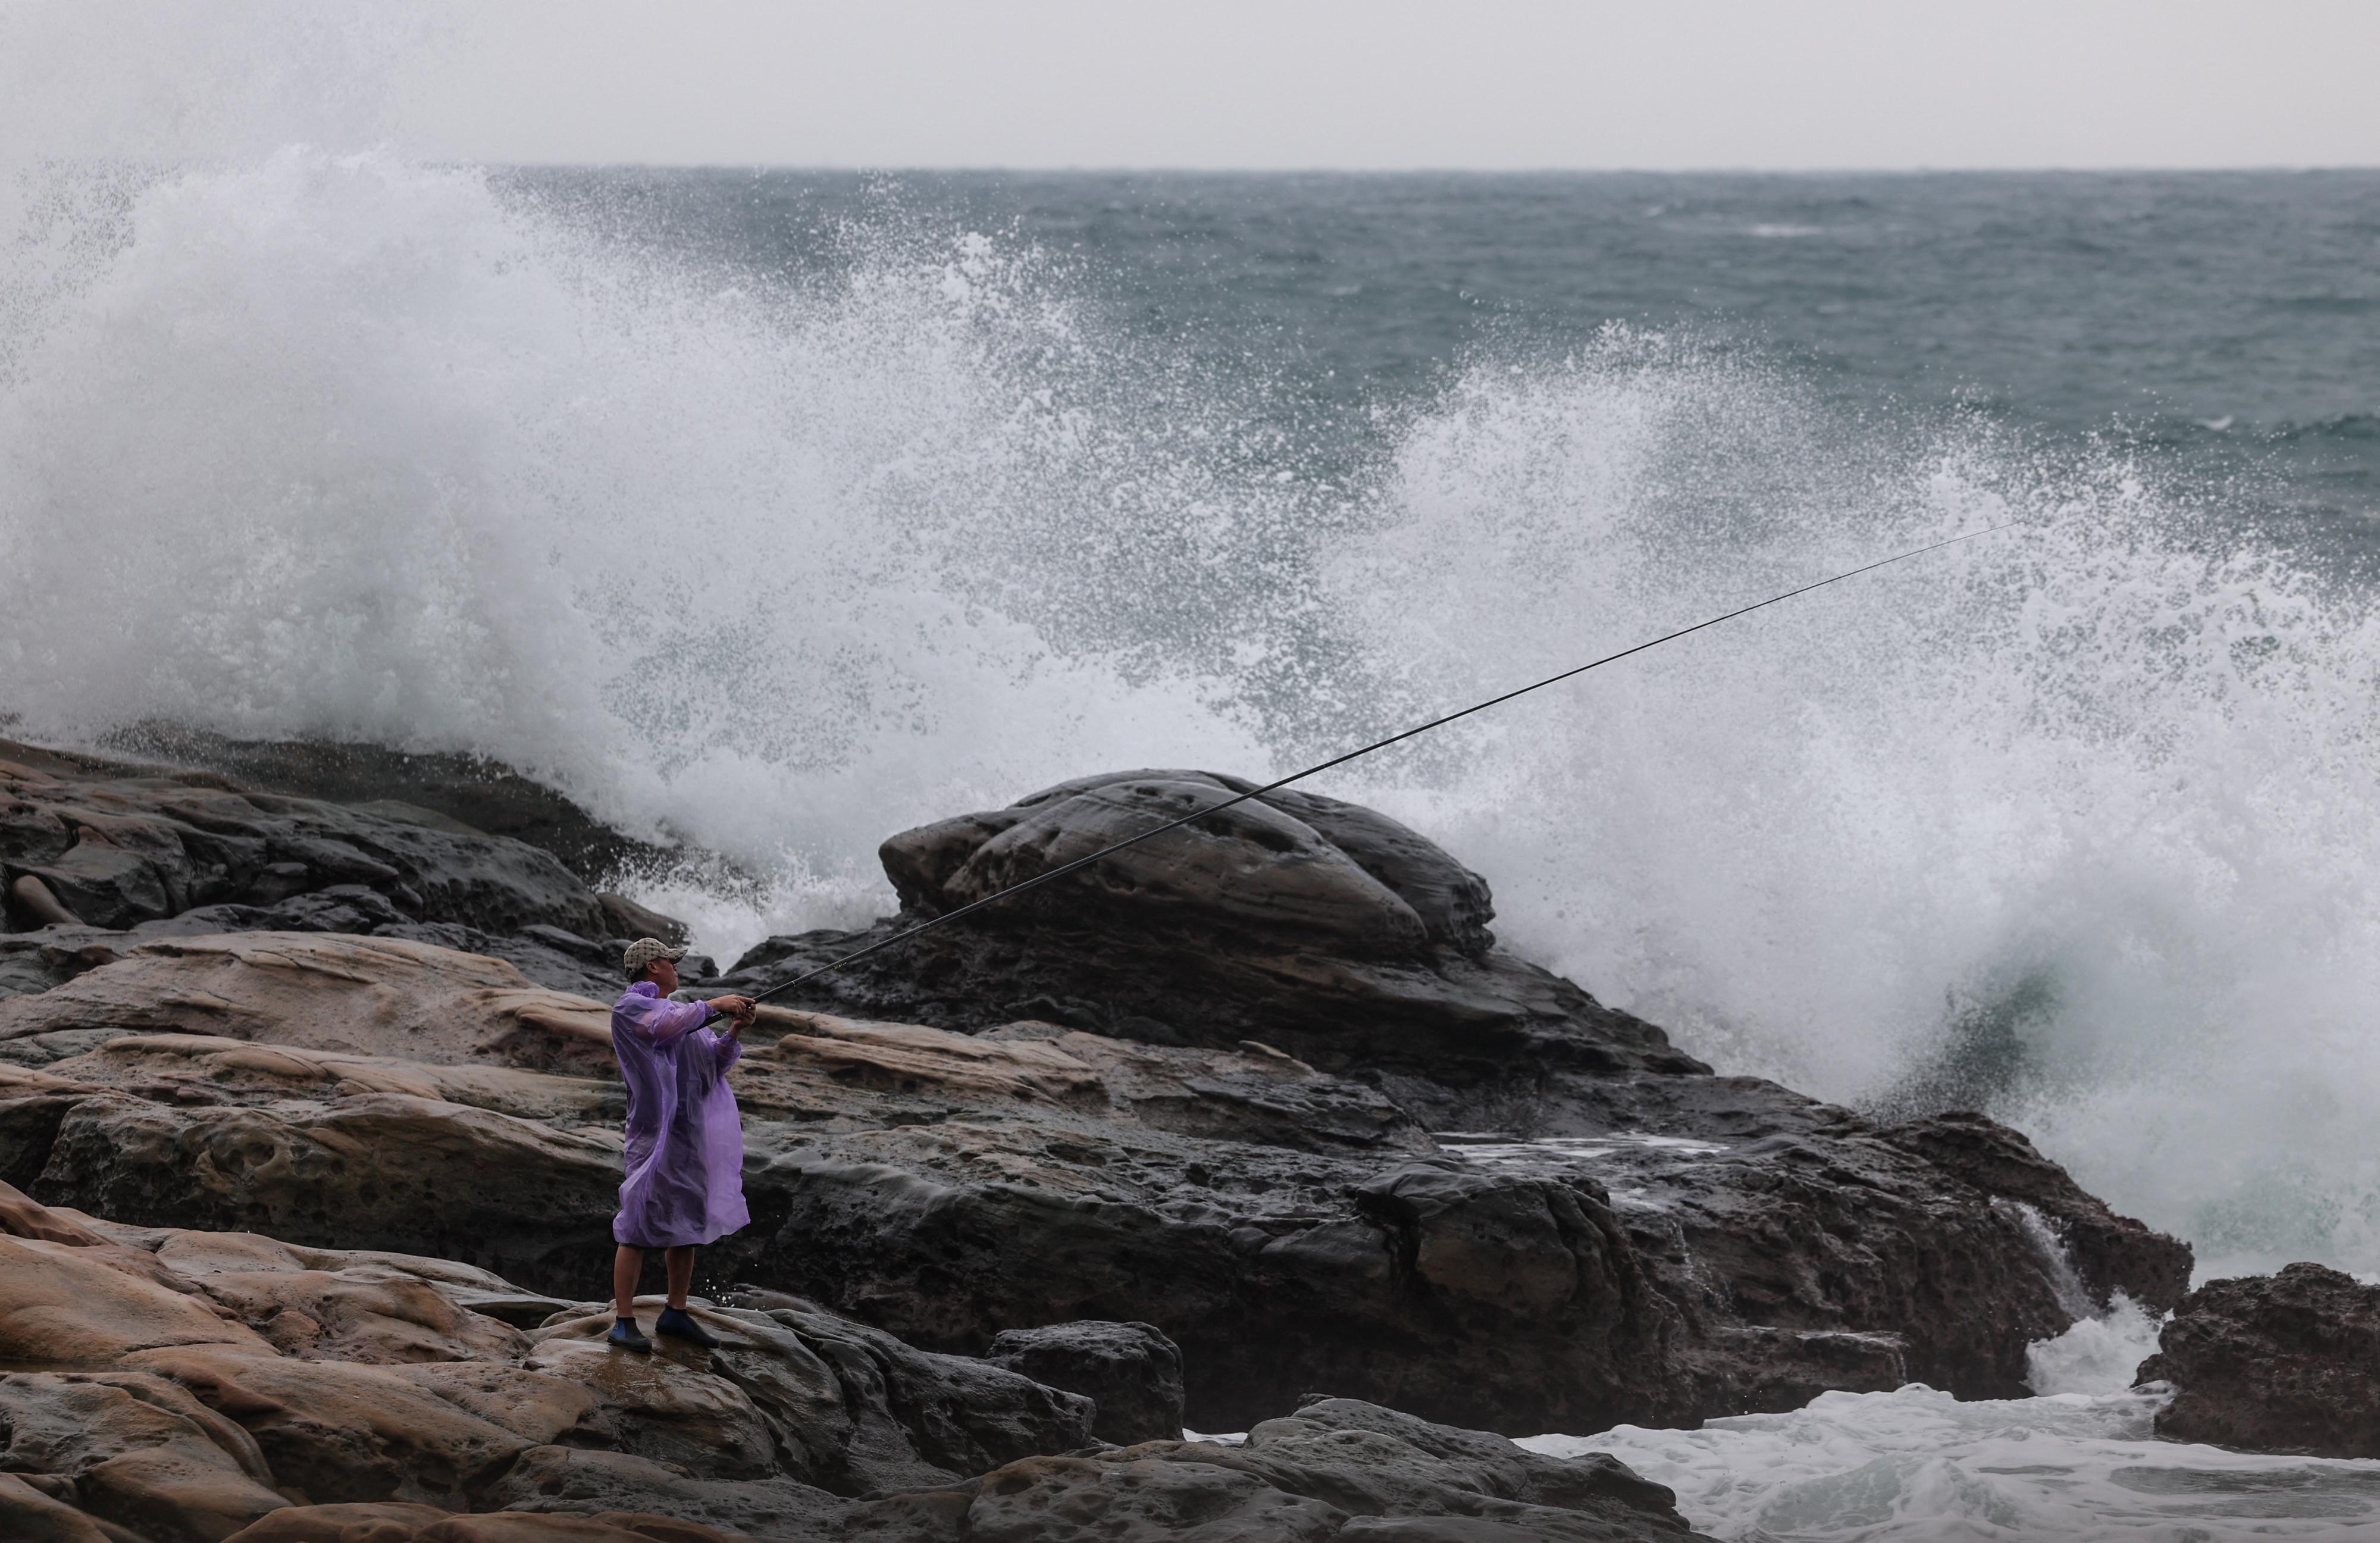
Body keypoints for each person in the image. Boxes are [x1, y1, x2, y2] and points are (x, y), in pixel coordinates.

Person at [606, 936, 757, 1351]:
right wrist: (716, 1004)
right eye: (671, 962)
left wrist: (734, 1029)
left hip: (688, 1135)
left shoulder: (681, 1012)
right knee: (636, 1225)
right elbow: (661, 1029)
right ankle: (623, 1321)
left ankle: (676, 1312)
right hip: (652, 1134)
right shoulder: (631, 1008)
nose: (677, 968)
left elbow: (712, 1066)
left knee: (686, 1224)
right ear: (653, 966)